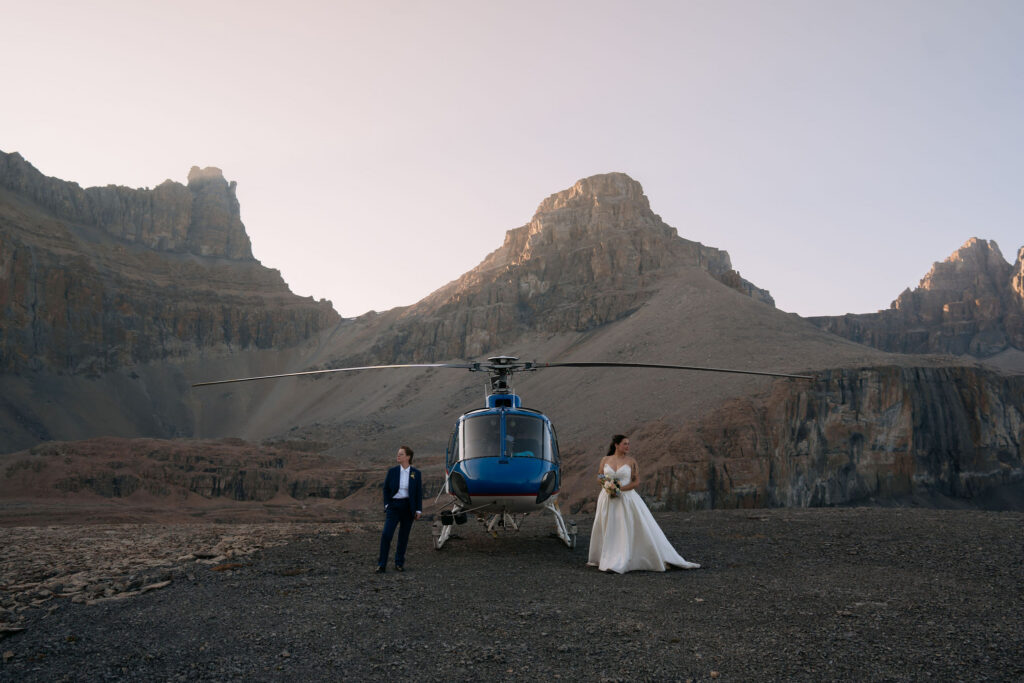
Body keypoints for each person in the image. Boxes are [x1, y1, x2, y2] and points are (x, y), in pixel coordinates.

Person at [587, 434, 700, 573]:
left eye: (628, 444)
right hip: (607, 498)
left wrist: (619, 489)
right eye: (625, 444)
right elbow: (600, 476)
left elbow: (636, 481)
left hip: (626, 498)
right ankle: (605, 556)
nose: (628, 446)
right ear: (616, 445)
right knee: (608, 525)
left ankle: (624, 558)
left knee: (624, 527)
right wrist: (606, 485)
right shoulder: (605, 460)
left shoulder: (631, 461)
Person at [376, 445, 423, 573]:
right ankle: (382, 564)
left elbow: (419, 492)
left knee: (403, 536)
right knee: (386, 535)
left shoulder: (416, 473)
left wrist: (418, 510)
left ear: (408, 457)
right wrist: (387, 505)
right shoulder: (392, 471)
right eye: (398, 454)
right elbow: (385, 489)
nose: (398, 456)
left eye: (401, 454)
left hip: (408, 508)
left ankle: (399, 563)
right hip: (394, 507)